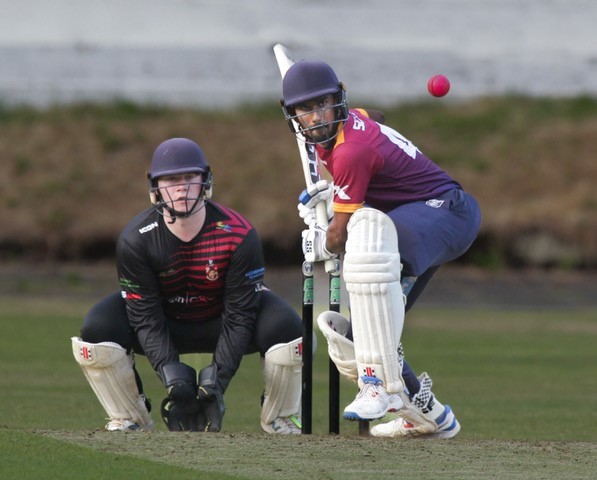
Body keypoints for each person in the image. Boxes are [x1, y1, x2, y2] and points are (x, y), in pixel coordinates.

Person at [280, 59, 481, 438]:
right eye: (306, 108)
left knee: (366, 238)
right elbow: (377, 116)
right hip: (418, 220)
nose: (317, 115)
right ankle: (431, 417)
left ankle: (377, 385)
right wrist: (339, 191)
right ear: (292, 114)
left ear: (338, 99)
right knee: (363, 337)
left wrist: (320, 236)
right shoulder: (352, 120)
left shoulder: (350, 153)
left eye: (322, 103)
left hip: (446, 211)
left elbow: (338, 238)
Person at [71, 137, 304, 435]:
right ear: (155, 187)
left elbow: (240, 314)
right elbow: (145, 316)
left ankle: (281, 418)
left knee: (288, 328)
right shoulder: (135, 239)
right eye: (171, 180)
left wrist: (217, 382)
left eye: (190, 177)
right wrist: (173, 379)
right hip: (164, 321)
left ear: (205, 181)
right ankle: (129, 418)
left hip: (223, 319)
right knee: (97, 328)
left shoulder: (239, 234)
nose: (181, 188)